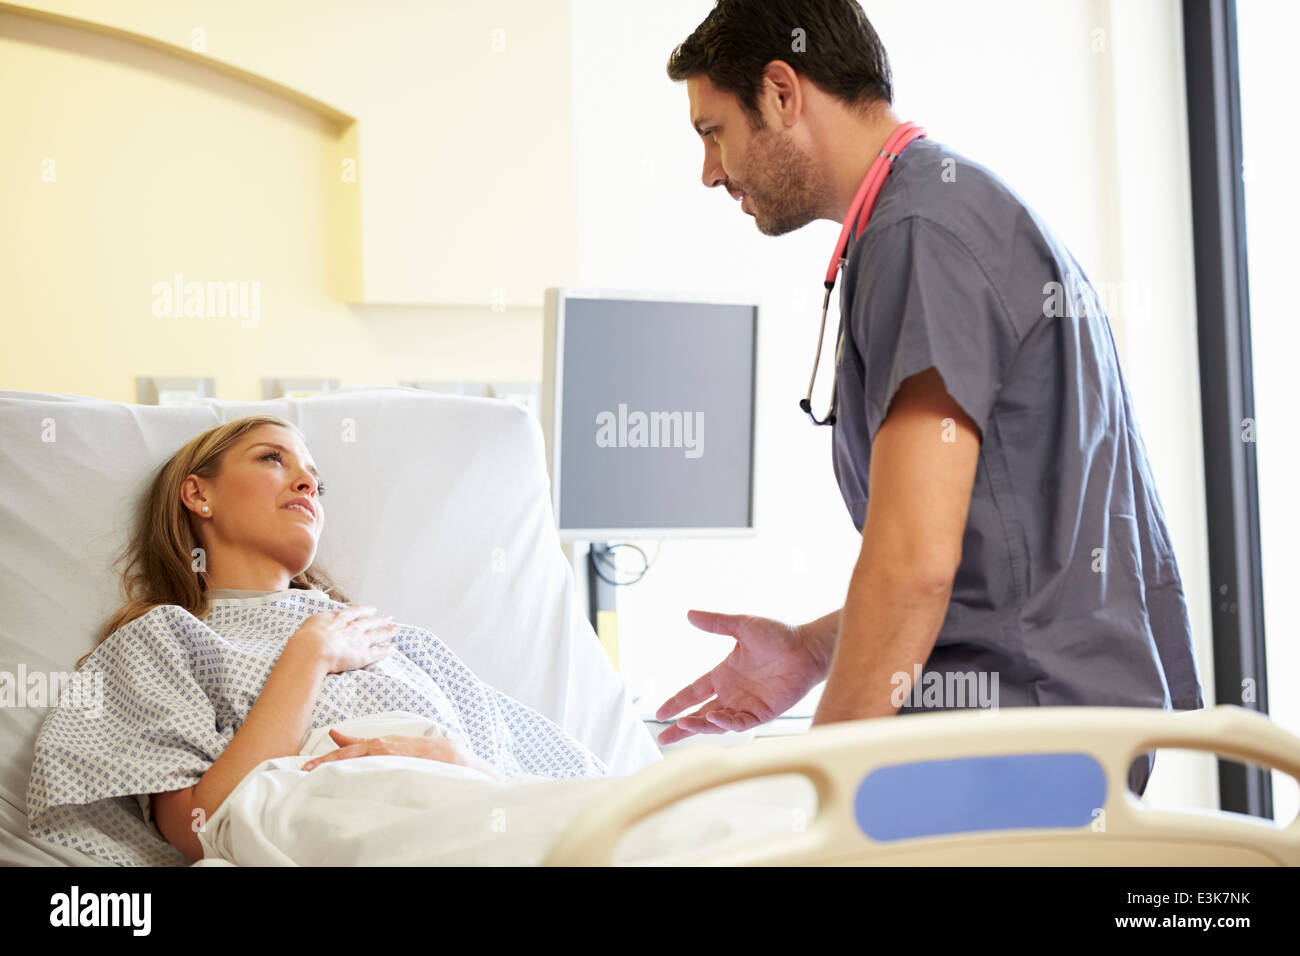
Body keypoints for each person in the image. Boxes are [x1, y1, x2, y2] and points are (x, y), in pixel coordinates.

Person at [655, 0, 1205, 797]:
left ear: (781, 93)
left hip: (1015, 756)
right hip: (1041, 740)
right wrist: (812, 650)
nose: (711, 171)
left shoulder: (925, 233)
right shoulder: (938, 214)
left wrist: (825, 799)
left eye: (713, 132)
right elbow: (1002, 566)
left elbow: (915, 566)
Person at [27, 416, 606, 865]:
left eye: (316, 479)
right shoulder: (163, 638)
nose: (307, 482)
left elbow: (566, 786)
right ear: (198, 495)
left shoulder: (396, 640)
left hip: (475, 805)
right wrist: (309, 657)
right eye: (272, 459)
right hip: (331, 814)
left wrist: (461, 762)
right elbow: (198, 829)